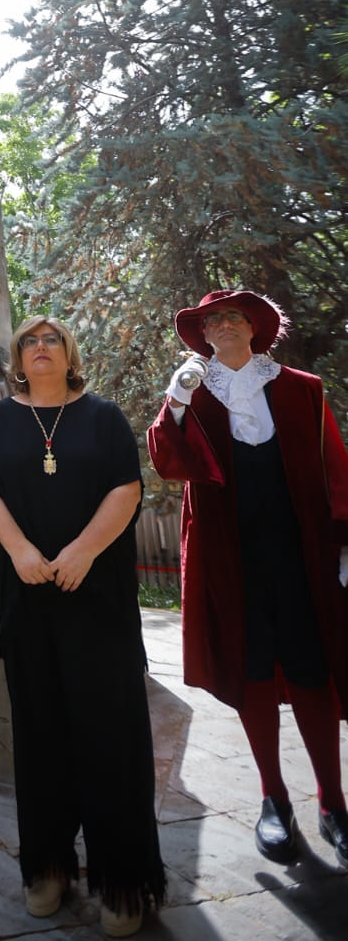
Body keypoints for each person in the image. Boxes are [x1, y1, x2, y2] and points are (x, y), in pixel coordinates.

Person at [0, 315, 166, 936]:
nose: (40, 347)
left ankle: (122, 880)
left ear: (70, 351)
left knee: (111, 737)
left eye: (51, 339)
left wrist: (82, 550)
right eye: (29, 341)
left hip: (97, 599)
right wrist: (23, 552)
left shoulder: (103, 417)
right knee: (42, 735)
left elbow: (127, 489)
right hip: (28, 598)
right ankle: (49, 867)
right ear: (18, 359)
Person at [148, 288, 348, 869]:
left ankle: (334, 805)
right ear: (203, 336)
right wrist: (177, 401)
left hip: (301, 559)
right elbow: (167, 462)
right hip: (232, 563)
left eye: (234, 315)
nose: (225, 325)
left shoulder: (301, 389)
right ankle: (273, 799)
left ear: (254, 327)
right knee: (252, 672)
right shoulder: (193, 394)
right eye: (213, 320)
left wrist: (344, 542)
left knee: (313, 672)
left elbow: (336, 468)